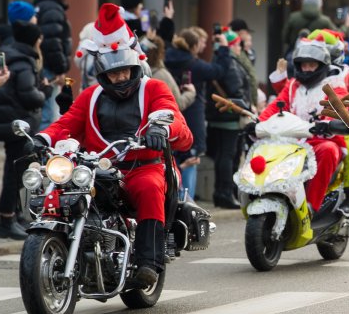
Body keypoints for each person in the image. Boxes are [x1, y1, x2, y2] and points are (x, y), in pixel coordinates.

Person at [35, 45, 192, 286]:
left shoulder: (154, 88)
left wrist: (160, 129)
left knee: (150, 188)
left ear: (134, 69)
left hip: (143, 165)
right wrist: (42, 139)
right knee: (66, 187)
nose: (119, 77)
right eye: (113, 73)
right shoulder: (90, 96)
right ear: (103, 75)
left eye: (124, 71)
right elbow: (68, 122)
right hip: (99, 167)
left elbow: (169, 112)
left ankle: (149, 263)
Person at [258, 39, 348, 213]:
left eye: (311, 65)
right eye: (303, 65)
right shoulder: (293, 86)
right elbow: (276, 106)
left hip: (320, 140)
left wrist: (326, 124)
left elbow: (338, 109)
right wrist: (258, 122)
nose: (306, 69)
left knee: (329, 150)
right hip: (291, 139)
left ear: (322, 65)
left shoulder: (335, 85)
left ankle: (311, 206)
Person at [0, 21, 53, 239]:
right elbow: (29, 96)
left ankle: (14, 216)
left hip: (10, 121)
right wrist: (45, 91)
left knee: (16, 171)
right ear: (35, 41)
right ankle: (6, 221)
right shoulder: (24, 63)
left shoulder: (12, 56)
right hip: (17, 125)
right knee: (14, 173)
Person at [165, 27, 229, 200]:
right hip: (192, 120)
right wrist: (223, 48)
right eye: (200, 42)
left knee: (171, 162)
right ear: (193, 46)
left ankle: (172, 205)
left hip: (169, 121)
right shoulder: (195, 65)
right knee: (191, 162)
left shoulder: (165, 61)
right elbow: (219, 71)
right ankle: (186, 206)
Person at [206, 30, 252, 208]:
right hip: (230, 117)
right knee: (228, 155)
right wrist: (246, 108)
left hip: (218, 115)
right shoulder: (231, 63)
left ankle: (221, 192)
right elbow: (236, 89)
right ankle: (226, 193)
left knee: (221, 156)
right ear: (231, 46)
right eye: (238, 45)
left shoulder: (217, 60)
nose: (241, 48)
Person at [33, 0, 73, 129]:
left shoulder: (40, 5)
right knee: (48, 115)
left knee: (44, 112)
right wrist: (60, 68)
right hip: (49, 69)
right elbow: (52, 42)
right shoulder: (53, 9)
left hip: (41, 65)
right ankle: (43, 146)